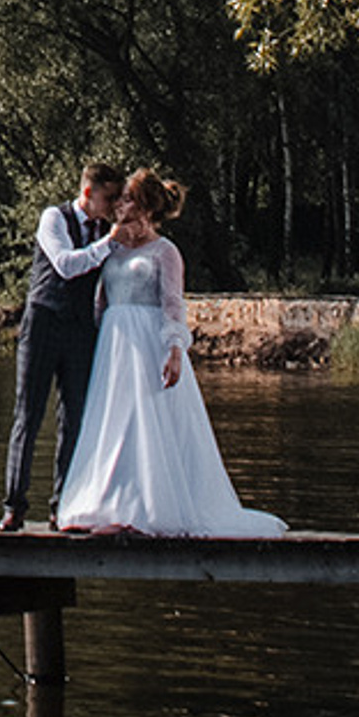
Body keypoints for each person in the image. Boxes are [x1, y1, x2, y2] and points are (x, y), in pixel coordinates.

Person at [54, 171, 286, 537]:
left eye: (127, 199)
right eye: (119, 199)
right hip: (115, 344)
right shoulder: (111, 246)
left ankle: (145, 511)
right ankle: (109, 504)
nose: (119, 205)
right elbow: (99, 299)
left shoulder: (165, 252)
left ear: (145, 207)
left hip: (148, 341)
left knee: (146, 423)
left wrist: (174, 350)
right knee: (114, 423)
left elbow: (173, 305)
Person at [0, 161, 124, 529]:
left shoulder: (107, 230)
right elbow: (67, 265)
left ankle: (62, 505)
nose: (114, 204)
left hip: (82, 329)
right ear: (89, 192)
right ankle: (14, 506)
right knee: (29, 416)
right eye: (110, 196)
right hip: (43, 323)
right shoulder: (54, 218)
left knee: (74, 420)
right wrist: (109, 242)